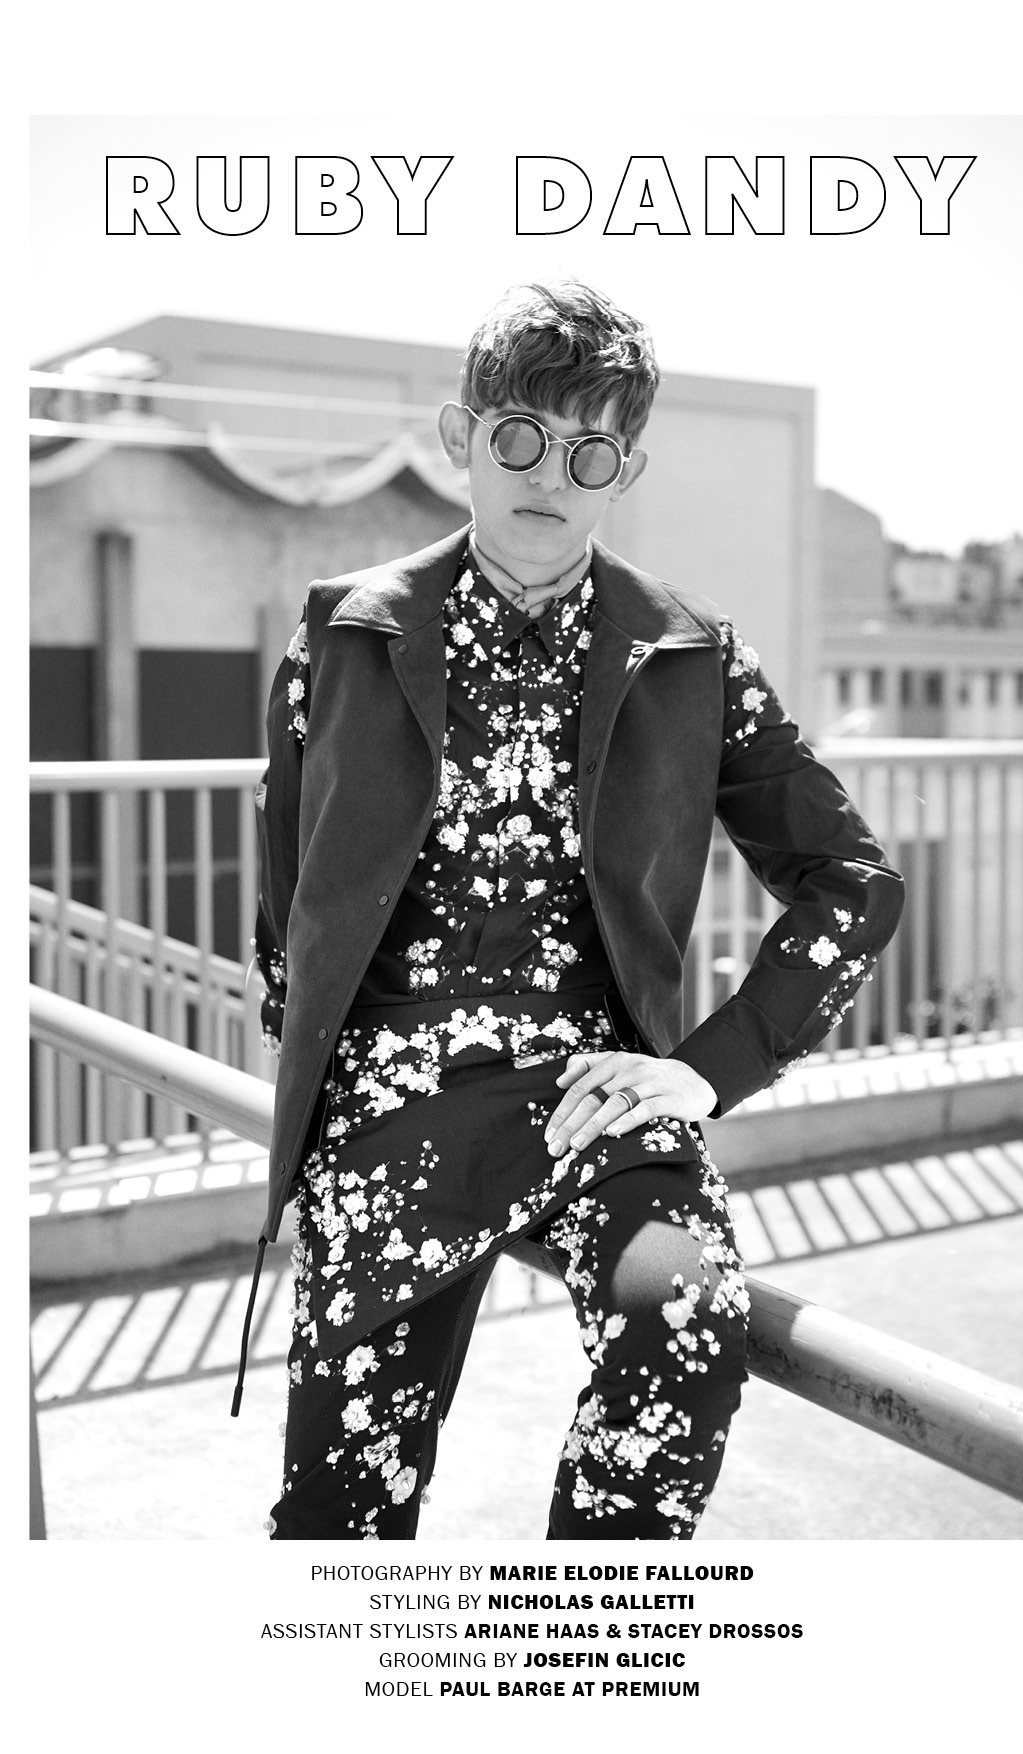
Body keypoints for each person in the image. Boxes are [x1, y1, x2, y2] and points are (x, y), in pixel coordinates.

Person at [236, 280, 905, 1541]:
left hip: (594, 1094)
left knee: (686, 1317)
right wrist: (308, 1072)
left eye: (590, 450)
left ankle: (580, 1638)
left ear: (625, 471)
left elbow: (853, 880)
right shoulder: (345, 631)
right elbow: (291, 881)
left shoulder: (691, 653)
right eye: (520, 437)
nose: (552, 473)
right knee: (337, 1512)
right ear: (461, 436)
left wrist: (706, 1071)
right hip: (390, 1102)